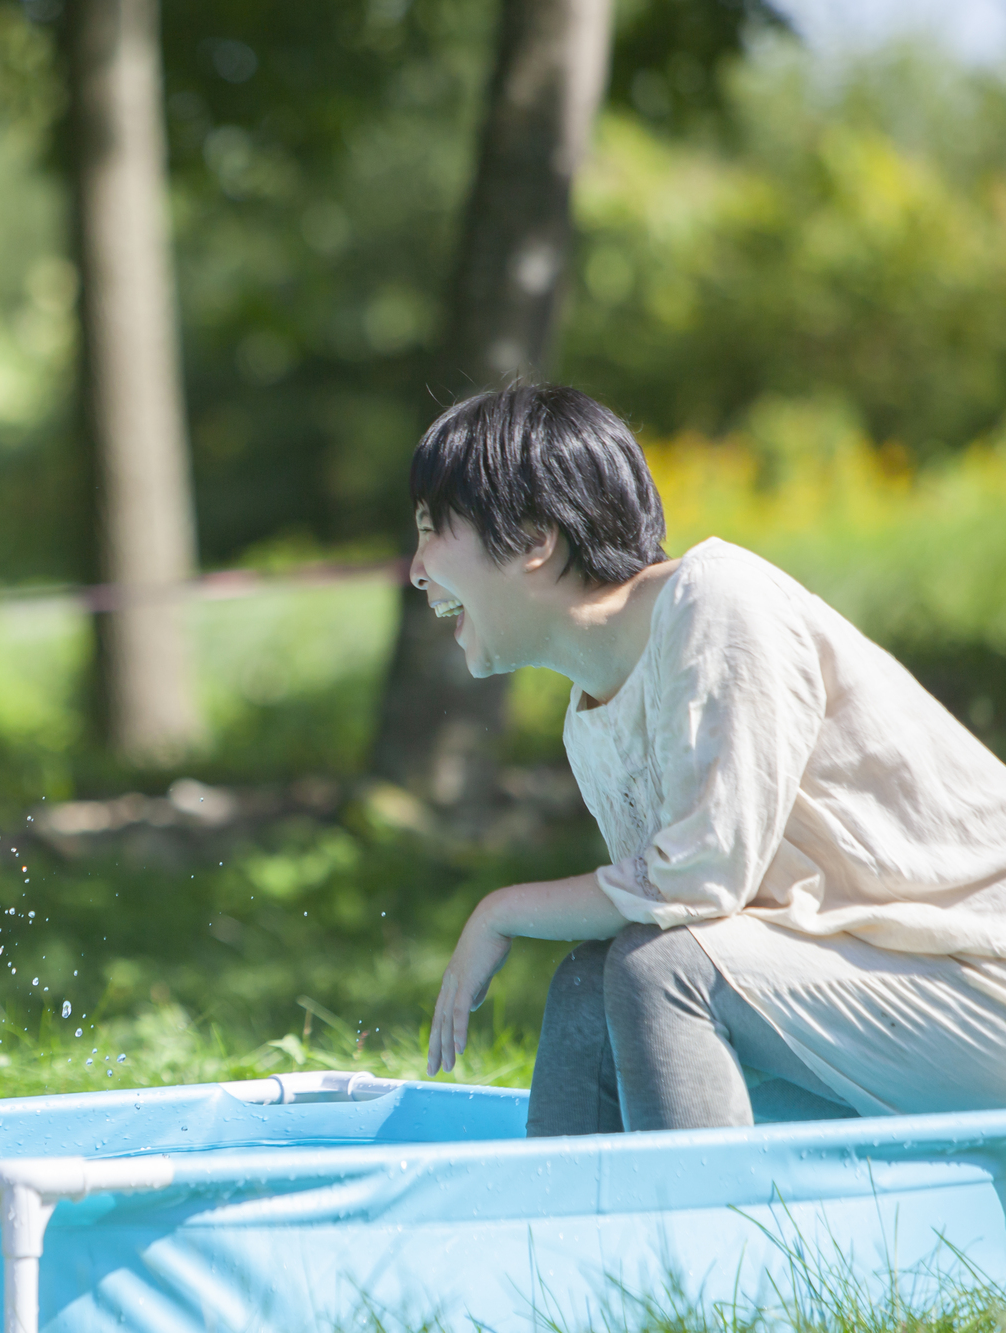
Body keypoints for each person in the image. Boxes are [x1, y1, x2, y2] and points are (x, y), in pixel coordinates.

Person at [412, 384, 1006, 1133]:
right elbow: (675, 909)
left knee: (656, 970)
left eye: (433, 529)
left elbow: (696, 883)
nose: (415, 568)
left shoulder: (718, 600)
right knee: (593, 982)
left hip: (979, 982)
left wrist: (498, 910)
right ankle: (557, 1243)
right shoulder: (592, 710)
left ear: (534, 536)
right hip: (890, 996)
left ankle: (700, 1247)